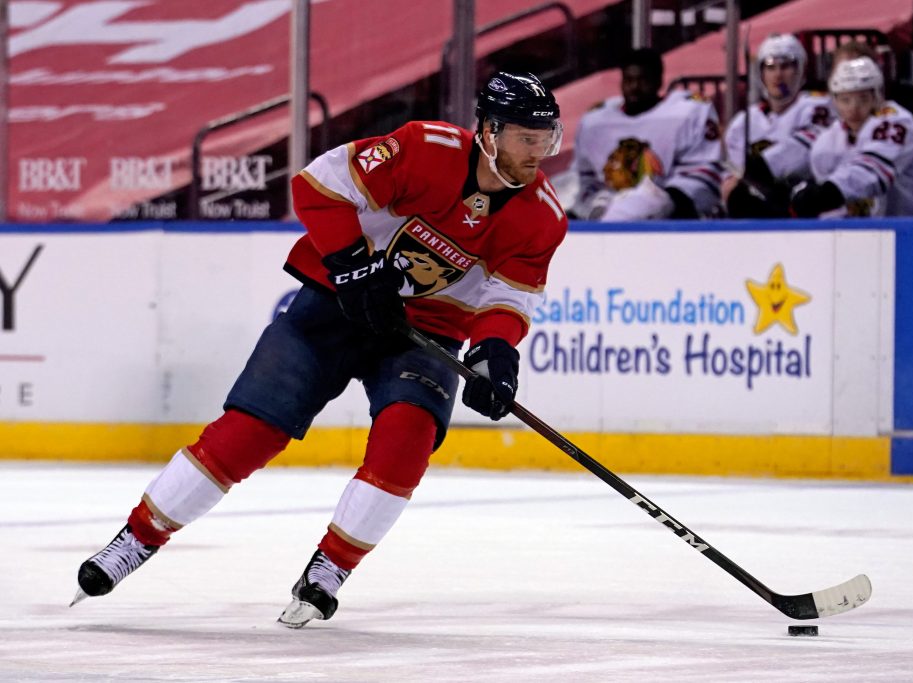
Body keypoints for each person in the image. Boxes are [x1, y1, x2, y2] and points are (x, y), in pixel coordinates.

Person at [71, 71, 570, 629]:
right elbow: (318, 185)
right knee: (249, 432)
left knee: (406, 441)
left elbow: (507, 295)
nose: (539, 153)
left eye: (546, 139)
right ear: (490, 131)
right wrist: (354, 267)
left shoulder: (543, 217)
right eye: (528, 138)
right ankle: (137, 539)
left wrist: (496, 356)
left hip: (426, 333)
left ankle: (331, 568)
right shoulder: (423, 148)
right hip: (334, 305)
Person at [569, 48, 723, 221]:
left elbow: (704, 174)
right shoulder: (596, 121)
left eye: (643, 80)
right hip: (606, 205)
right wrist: (591, 205)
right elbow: (584, 179)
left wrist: (670, 200)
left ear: (659, 81)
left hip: (672, 209)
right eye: (629, 80)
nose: (634, 87)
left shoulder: (688, 111)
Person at [793, 57, 913, 217]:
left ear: (877, 96)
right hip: (867, 232)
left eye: (863, 98)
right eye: (845, 99)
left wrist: (826, 194)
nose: (854, 108)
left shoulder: (897, 121)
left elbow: (870, 173)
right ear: (834, 101)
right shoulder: (827, 141)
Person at [723, 33, 834, 217]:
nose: (778, 75)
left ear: (800, 70)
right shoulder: (743, 122)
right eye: (770, 67)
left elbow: (811, 152)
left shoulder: (818, 106)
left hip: (808, 208)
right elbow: (733, 178)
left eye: (786, 66)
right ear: (761, 73)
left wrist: (763, 167)